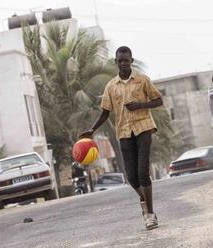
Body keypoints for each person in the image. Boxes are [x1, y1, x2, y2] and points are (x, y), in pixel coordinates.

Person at [80, 46, 163, 230]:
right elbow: (105, 112)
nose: (124, 63)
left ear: (132, 61)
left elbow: (159, 100)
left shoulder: (142, 80)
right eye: (120, 60)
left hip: (144, 128)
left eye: (127, 60)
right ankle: (144, 200)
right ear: (115, 62)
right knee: (132, 177)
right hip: (124, 132)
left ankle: (150, 214)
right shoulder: (111, 86)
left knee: (143, 172)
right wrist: (91, 130)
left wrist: (139, 105)